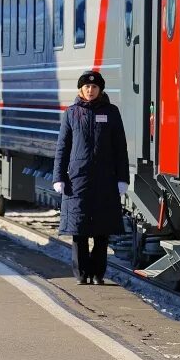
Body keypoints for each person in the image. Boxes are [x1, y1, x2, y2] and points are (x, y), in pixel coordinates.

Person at [53, 70, 130, 285]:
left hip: (105, 179)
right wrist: (58, 177)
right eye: (86, 87)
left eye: (94, 87)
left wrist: (122, 178)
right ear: (81, 89)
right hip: (78, 180)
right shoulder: (71, 113)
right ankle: (81, 274)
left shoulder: (112, 112)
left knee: (101, 231)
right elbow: (62, 147)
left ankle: (97, 274)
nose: (90, 90)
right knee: (79, 230)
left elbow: (120, 148)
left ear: (100, 90)